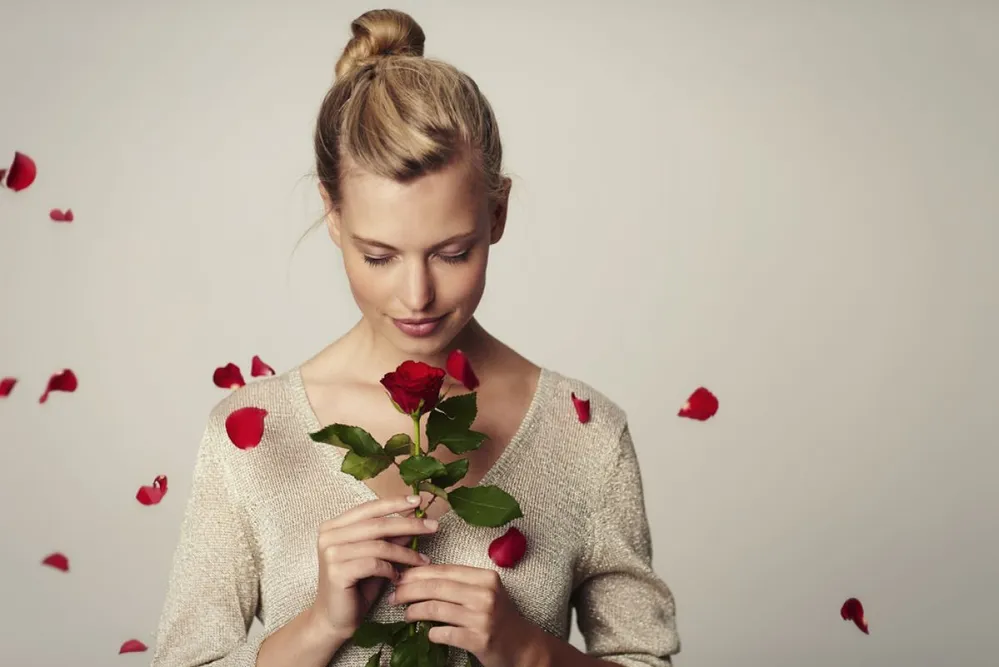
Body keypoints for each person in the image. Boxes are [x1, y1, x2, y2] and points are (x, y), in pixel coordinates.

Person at [151, 8, 680, 667]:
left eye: (452, 252)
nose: (416, 296)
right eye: (379, 256)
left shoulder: (587, 436)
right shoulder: (252, 438)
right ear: (332, 215)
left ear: (497, 213)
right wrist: (317, 626)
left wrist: (527, 651)